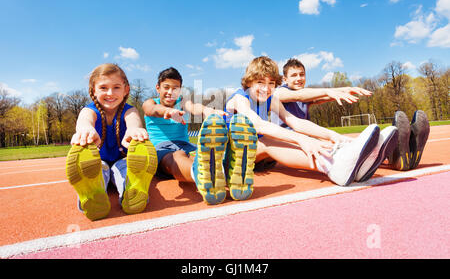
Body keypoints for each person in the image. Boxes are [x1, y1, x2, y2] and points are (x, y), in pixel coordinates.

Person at [224, 56, 389, 187]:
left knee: (291, 137)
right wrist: (303, 140)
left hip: (257, 158)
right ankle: (332, 167)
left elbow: (296, 122)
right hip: (230, 158)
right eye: (260, 82)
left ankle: (356, 160)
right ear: (249, 81)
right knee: (268, 140)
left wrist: (336, 137)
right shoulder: (240, 98)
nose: (266, 88)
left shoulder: (270, 98)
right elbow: (259, 125)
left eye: (271, 83)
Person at [142, 67, 258, 205]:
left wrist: (206, 110)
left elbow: (193, 107)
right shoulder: (150, 102)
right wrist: (167, 111)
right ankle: (200, 174)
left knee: (201, 155)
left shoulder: (183, 102)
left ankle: (228, 170)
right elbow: (152, 110)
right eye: (166, 87)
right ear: (158, 88)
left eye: (175, 88)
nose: (170, 92)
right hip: (162, 148)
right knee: (177, 156)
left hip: (186, 145)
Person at [66, 63, 157, 221]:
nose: (110, 93)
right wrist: (85, 130)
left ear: (126, 90)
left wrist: (134, 130)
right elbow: (84, 120)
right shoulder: (89, 110)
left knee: (124, 168)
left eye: (116, 87)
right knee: (97, 169)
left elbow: (133, 120)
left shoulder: (130, 110)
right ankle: (93, 195)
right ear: (93, 90)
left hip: (122, 158)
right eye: (103, 88)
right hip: (97, 160)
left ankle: (131, 193)